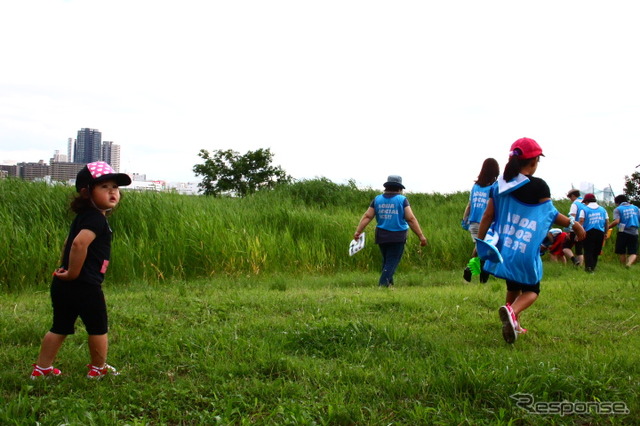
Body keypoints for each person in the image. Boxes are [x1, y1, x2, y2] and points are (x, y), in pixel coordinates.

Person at [478, 138, 585, 344]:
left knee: (513, 286)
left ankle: (513, 324)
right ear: (534, 161)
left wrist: (479, 242)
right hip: (525, 249)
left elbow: (487, 216)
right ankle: (512, 311)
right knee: (532, 290)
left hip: (505, 249)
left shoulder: (498, 186)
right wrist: (575, 225)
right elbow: (550, 214)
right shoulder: (538, 186)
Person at [31, 162, 131, 379]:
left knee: (60, 326)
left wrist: (64, 267)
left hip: (66, 285)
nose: (113, 191)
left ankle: (42, 369)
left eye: (115, 187)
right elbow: (78, 244)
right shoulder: (96, 219)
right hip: (85, 284)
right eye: (104, 187)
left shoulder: (85, 217)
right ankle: (98, 369)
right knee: (98, 327)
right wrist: (73, 273)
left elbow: (68, 242)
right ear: (86, 192)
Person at [353, 175, 428, 288]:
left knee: (387, 261)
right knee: (391, 262)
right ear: (399, 188)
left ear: (387, 187)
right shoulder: (402, 200)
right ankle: (383, 285)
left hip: (381, 235)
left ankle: (389, 285)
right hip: (397, 236)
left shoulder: (377, 199)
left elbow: (368, 216)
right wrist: (421, 236)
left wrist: (358, 231)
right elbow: (411, 219)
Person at [462, 158, 500, 282]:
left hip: (473, 222)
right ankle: (476, 274)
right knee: (484, 251)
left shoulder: (475, 186)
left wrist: (465, 219)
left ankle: (472, 270)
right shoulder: (494, 187)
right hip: (486, 222)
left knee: (480, 248)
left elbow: (469, 204)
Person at [578, 193, 609, 273]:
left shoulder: (584, 209)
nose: (584, 203)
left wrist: (578, 232)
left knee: (588, 251)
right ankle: (593, 267)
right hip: (600, 232)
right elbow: (607, 222)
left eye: (585, 202)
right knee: (596, 251)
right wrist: (606, 232)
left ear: (587, 201)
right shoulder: (603, 209)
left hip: (588, 232)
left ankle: (588, 268)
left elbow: (581, 221)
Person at [608, 194, 640, 267]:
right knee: (633, 252)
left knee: (621, 251)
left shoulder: (618, 209)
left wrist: (608, 227)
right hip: (634, 232)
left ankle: (623, 266)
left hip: (623, 232)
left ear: (617, 202)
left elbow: (616, 221)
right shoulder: (636, 208)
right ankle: (628, 264)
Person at [565, 189, 585, 266]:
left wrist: (569, 231)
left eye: (570, 197)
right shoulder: (585, 202)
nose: (570, 199)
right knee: (579, 250)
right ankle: (580, 267)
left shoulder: (575, 204)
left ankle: (574, 260)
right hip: (585, 229)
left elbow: (572, 218)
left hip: (576, 229)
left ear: (573, 196)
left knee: (565, 247)